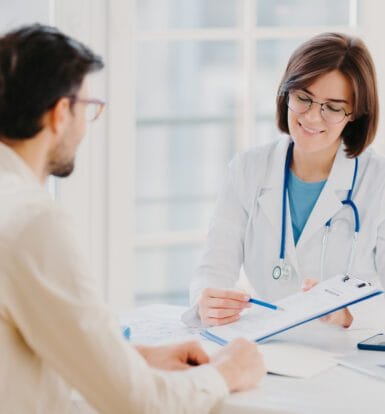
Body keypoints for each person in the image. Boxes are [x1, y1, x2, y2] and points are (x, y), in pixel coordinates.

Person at [0, 24, 266, 414]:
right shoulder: (34, 223)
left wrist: (137, 358)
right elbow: (136, 402)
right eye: (88, 109)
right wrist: (228, 372)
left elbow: (29, 339)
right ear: (60, 113)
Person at [183, 32, 385, 329]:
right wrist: (207, 302)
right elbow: (214, 268)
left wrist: (348, 313)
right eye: (304, 98)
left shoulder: (377, 181)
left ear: (355, 113)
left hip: (348, 354)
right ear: (286, 94)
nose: (313, 117)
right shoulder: (248, 170)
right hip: (269, 346)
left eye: (332, 107)